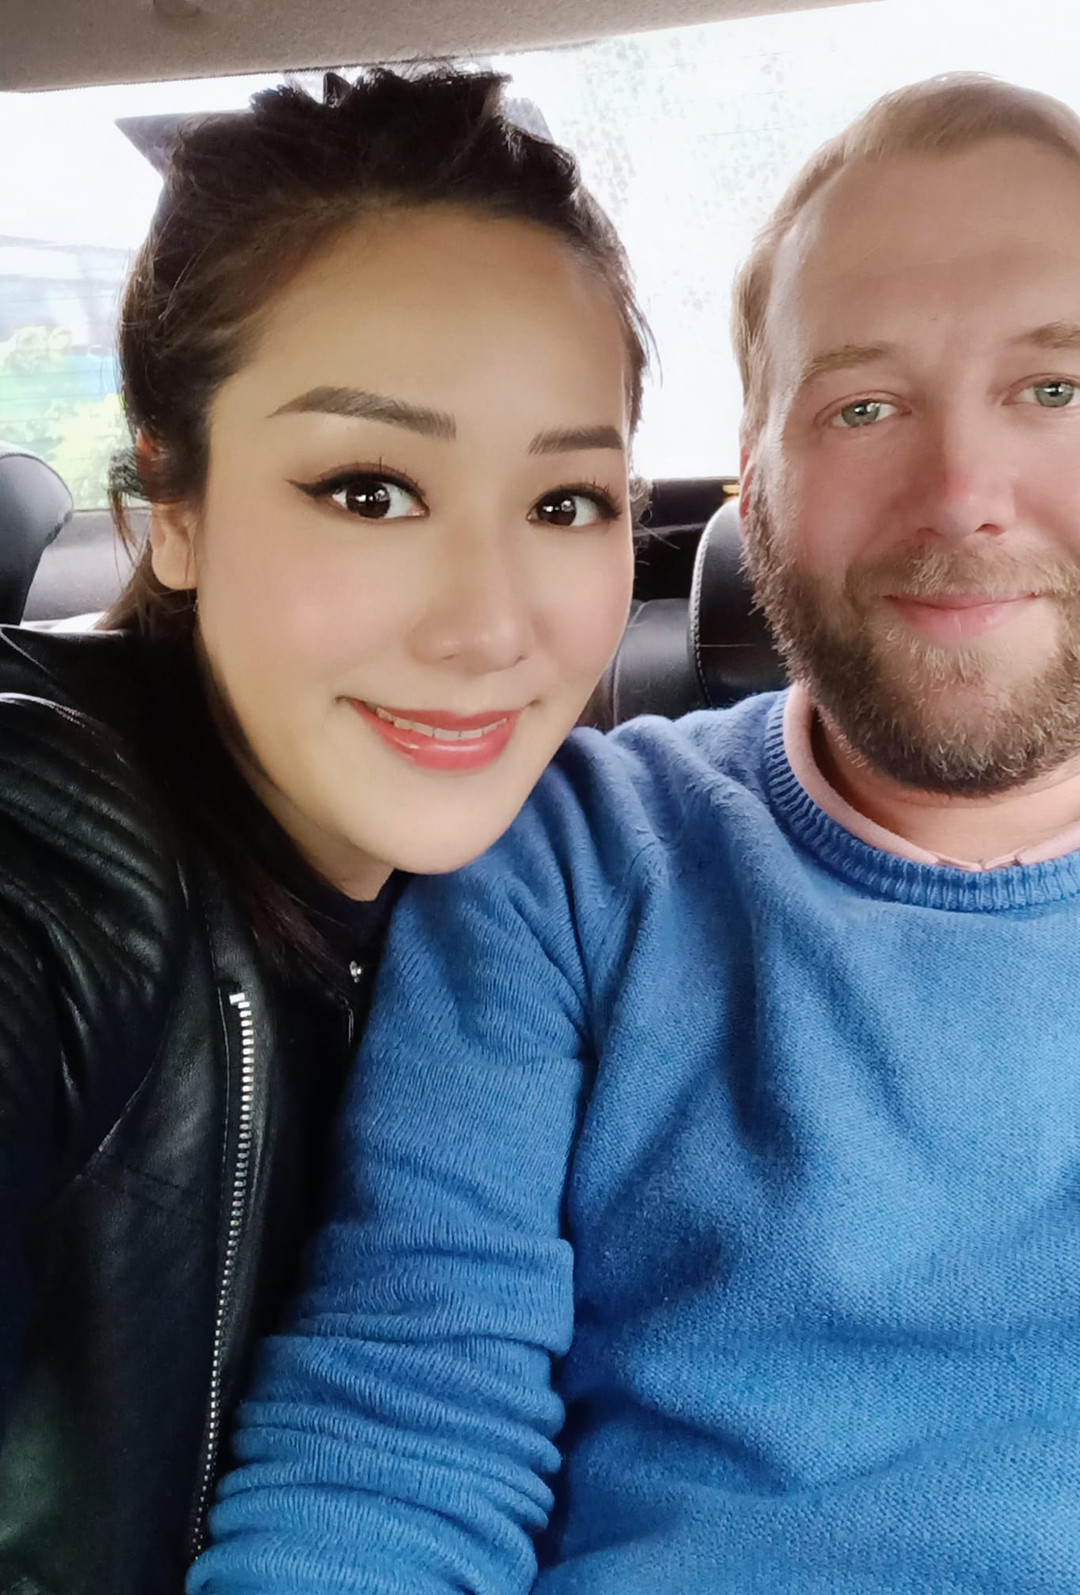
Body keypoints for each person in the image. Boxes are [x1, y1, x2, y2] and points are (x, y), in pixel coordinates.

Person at [192, 75, 1080, 1594]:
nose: (962, 496)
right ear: (755, 479)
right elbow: (401, 1442)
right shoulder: (562, 867)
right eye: (862, 406)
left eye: (1052, 389)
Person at [0, 65, 649, 1594]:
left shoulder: (564, 905)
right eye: (369, 492)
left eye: (566, 503)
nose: (490, 627)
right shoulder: (59, 842)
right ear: (173, 502)